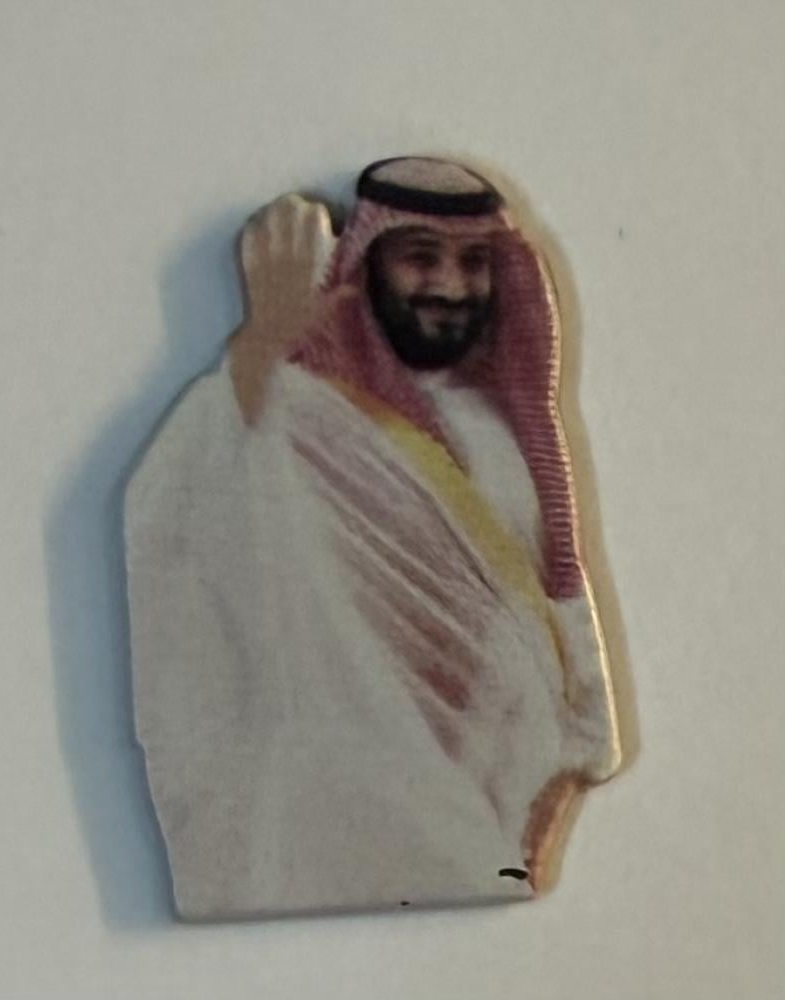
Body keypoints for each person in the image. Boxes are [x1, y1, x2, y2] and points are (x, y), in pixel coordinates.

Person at [125, 157, 621, 920]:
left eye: (474, 262)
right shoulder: (294, 416)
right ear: (367, 265)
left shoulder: (507, 433)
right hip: (352, 800)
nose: (450, 286)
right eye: (420, 257)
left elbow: (552, 593)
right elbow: (190, 515)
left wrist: (579, 748)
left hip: (500, 798)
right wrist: (258, 348)